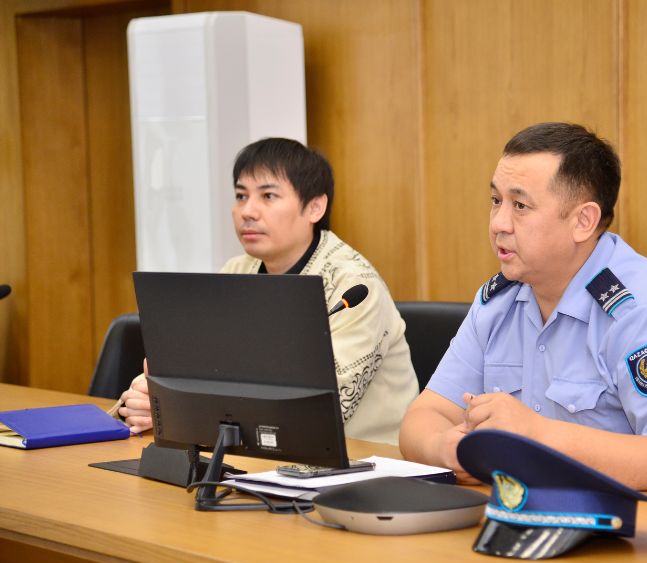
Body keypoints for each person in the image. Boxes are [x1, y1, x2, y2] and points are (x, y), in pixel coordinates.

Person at [399, 122, 647, 504]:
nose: (499, 224)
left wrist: (537, 435)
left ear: (583, 221)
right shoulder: (500, 301)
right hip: (555, 516)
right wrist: (447, 450)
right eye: (496, 201)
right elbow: (423, 417)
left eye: (520, 206)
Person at [113, 137, 418, 445]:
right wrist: (152, 399)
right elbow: (200, 371)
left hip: (367, 460)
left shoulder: (354, 288)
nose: (248, 211)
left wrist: (186, 406)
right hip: (261, 452)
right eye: (241, 196)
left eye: (268, 196)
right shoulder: (237, 271)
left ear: (315, 207)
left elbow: (321, 408)